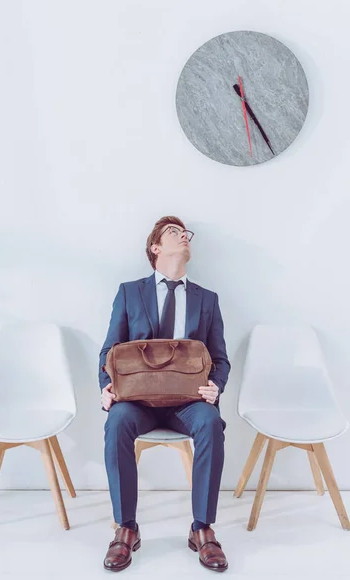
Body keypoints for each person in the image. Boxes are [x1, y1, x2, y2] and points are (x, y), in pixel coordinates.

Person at [98, 216, 230, 572]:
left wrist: (215, 386)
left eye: (186, 233)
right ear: (155, 247)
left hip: (187, 403)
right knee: (117, 422)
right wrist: (105, 387)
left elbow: (219, 358)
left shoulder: (208, 299)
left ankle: (202, 529)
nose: (184, 236)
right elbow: (109, 350)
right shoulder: (130, 291)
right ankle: (126, 528)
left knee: (211, 422)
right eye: (174, 233)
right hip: (137, 401)